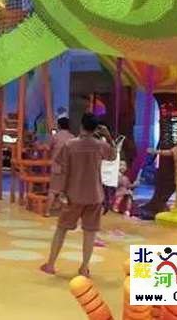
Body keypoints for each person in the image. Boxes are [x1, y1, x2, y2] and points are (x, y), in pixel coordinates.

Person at [41, 112, 115, 277]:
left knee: (61, 229)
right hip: (95, 195)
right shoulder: (100, 145)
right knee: (90, 233)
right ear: (96, 128)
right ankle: (84, 267)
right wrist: (108, 137)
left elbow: (63, 169)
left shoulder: (70, 145)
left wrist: (61, 192)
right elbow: (113, 156)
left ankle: (51, 264)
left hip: (73, 195)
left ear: (81, 125)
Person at [45, 117, 75, 217]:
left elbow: (48, 148)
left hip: (57, 168)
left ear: (59, 125)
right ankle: (67, 213)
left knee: (52, 190)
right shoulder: (73, 138)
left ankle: (47, 212)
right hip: (69, 169)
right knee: (65, 192)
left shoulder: (55, 137)